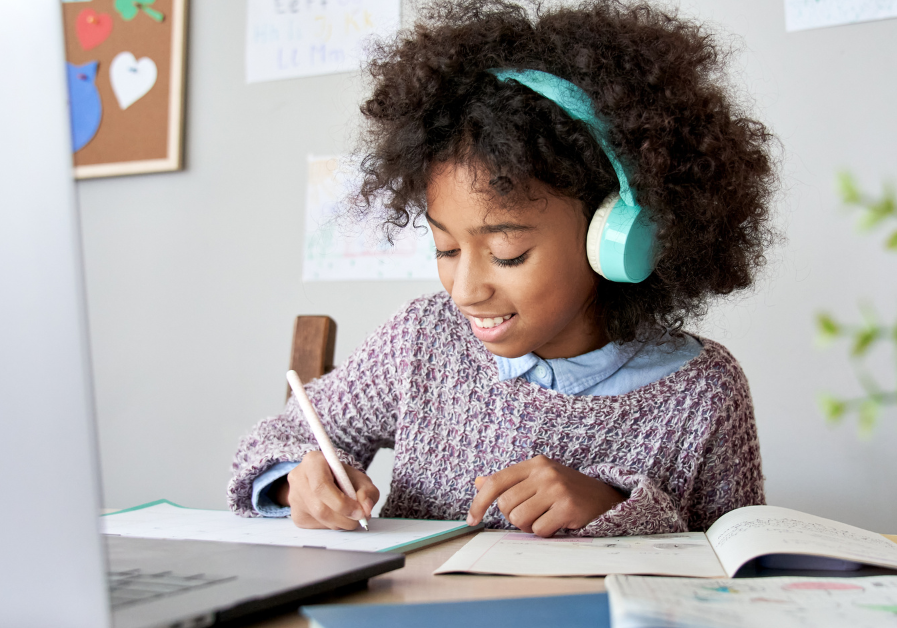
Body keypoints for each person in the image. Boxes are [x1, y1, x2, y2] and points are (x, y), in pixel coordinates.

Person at [228, 0, 777, 538]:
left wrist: (615, 507)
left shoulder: (701, 393)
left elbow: (740, 561)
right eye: (446, 249)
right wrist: (296, 481)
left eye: (508, 253)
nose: (465, 291)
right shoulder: (422, 341)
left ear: (616, 239)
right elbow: (273, 442)